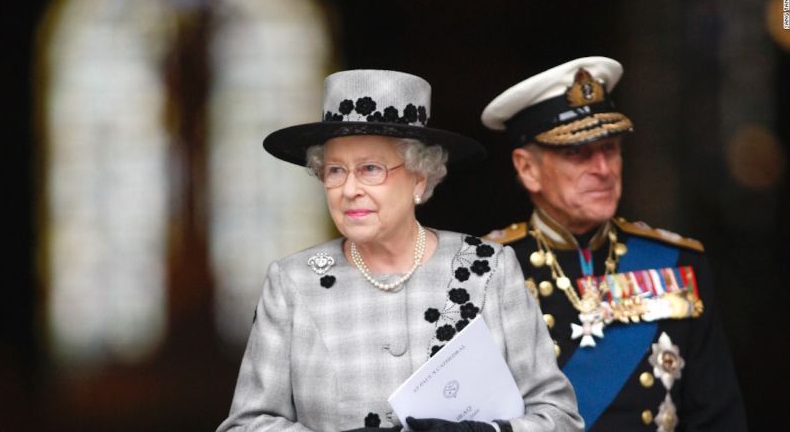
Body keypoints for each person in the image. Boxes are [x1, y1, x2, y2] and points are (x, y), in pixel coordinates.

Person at [216, 69, 583, 432]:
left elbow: (559, 417)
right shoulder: (292, 282)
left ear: (419, 179)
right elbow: (246, 424)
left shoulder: (490, 269)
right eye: (335, 171)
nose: (349, 189)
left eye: (371, 169)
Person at [480, 57, 747, 431]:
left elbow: (716, 418)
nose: (603, 169)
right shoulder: (483, 271)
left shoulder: (676, 263)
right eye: (577, 153)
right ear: (527, 169)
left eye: (610, 148)